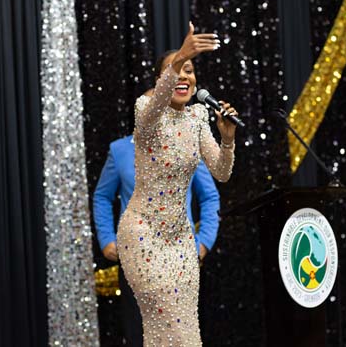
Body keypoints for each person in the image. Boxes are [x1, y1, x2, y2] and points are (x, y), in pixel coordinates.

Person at [117, 22, 238, 346]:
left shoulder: (197, 117)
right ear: (161, 80)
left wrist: (227, 139)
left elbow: (221, 172)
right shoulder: (146, 110)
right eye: (176, 69)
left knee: (179, 330)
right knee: (171, 324)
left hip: (181, 240)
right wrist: (181, 56)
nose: (184, 76)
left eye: (189, 70)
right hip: (143, 235)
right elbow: (154, 106)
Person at [93, 132, 221, 346]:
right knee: (139, 335)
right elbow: (102, 196)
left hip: (179, 260)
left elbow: (210, 196)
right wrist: (106, 238)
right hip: (136, 261)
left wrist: (204, 242)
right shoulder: (120, 149)